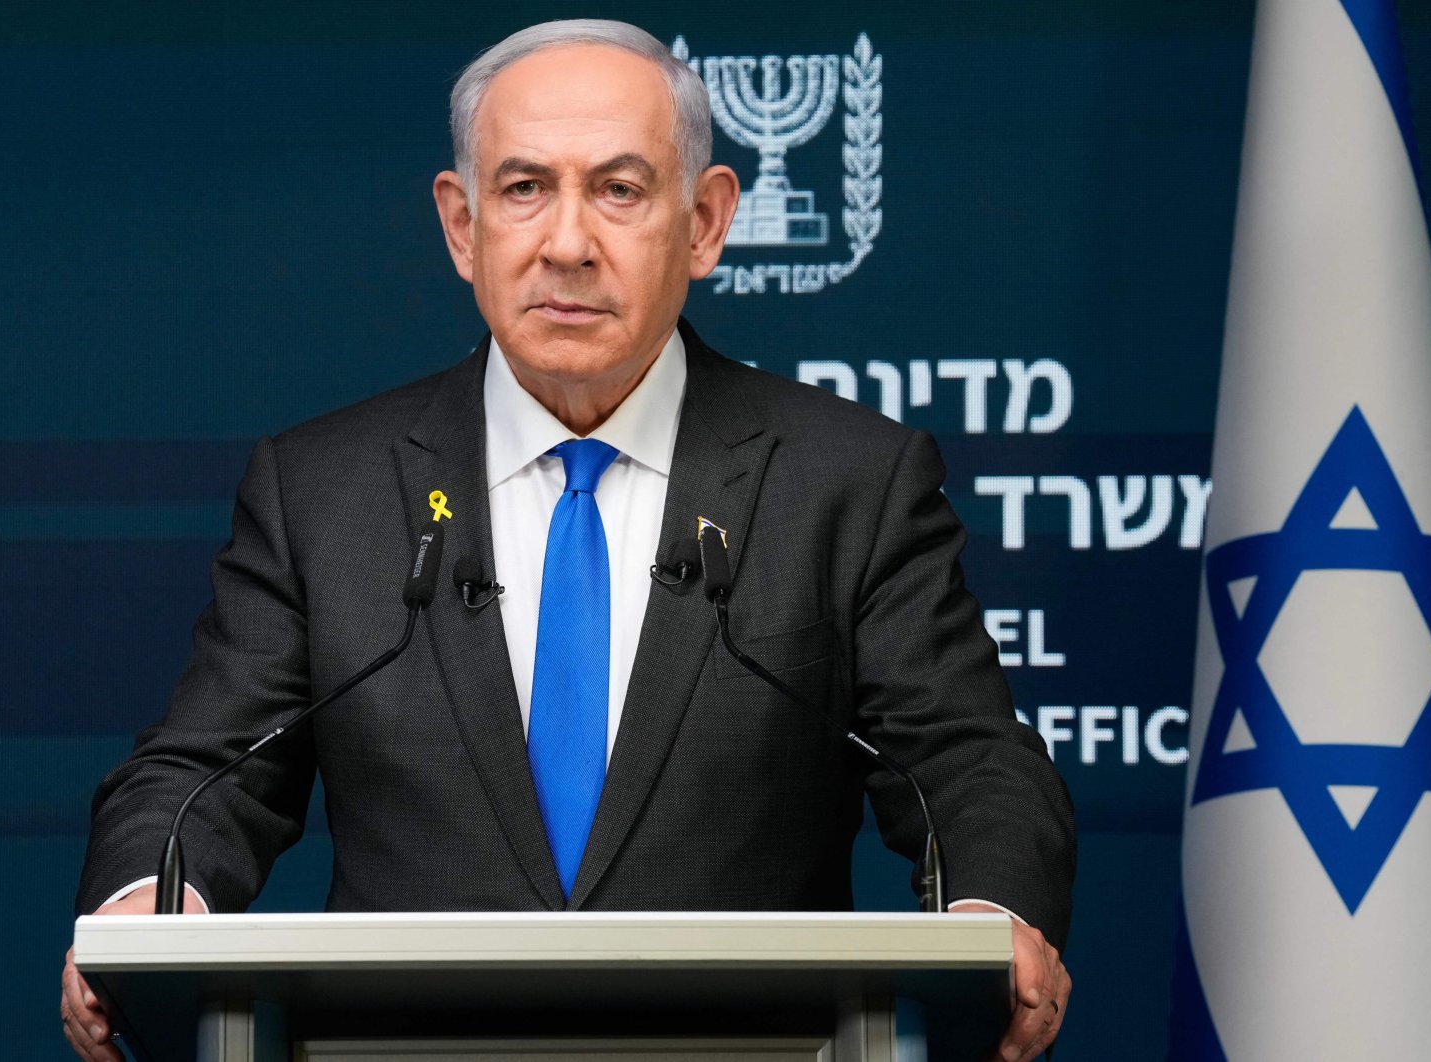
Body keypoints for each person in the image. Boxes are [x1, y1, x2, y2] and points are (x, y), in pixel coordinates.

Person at [60, 20, 1074, 1062]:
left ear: (707, 221)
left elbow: (966, 763)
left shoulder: (847, 482)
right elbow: (199, 773)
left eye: (621, 191)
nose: (567, 243)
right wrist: (150, 903)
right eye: (523, 188)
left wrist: (986, 908)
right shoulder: (325, 490)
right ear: (461, 226)